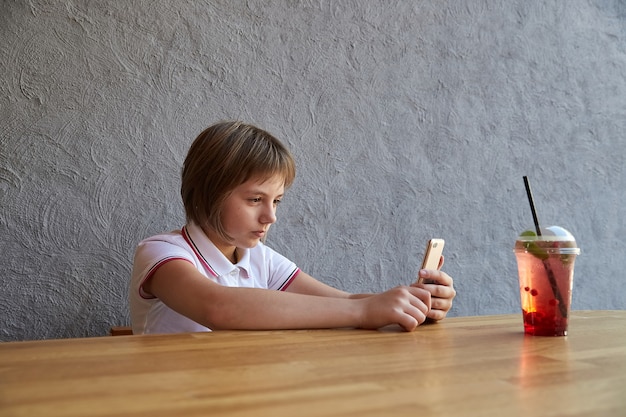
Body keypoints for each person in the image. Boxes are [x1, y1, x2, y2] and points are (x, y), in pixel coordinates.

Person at [129, 121, 456, 334]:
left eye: (277, 201)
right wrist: (366, 310)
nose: (270, 217)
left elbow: (345, 302)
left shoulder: (261, 259)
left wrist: (410, 306)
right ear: (206, 194)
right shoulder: (162, 253)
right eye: (255, 199)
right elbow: (218, 307)